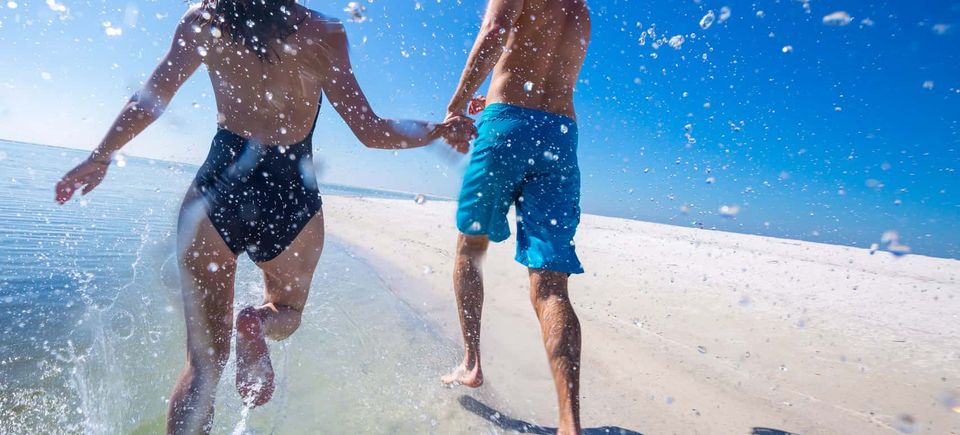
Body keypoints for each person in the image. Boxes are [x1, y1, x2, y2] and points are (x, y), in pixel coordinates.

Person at [54, 1, 468, 433]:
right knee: (288, 311)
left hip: (219, 187)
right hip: (290, 192)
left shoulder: (204, 20)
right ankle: (259, 321)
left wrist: (100, 157)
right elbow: (371, 131)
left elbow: (152, 98)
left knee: (202, 369)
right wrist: (440, 129)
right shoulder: (324, 33)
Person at [439, 0, 591, 433]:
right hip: (560, 135)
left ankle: (472, 363)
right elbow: (542, 70)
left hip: (506, 128)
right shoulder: (580, 10)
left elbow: (493, 34)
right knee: (551, 287)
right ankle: (569, 423)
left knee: (470, 249)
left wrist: (457, 105)